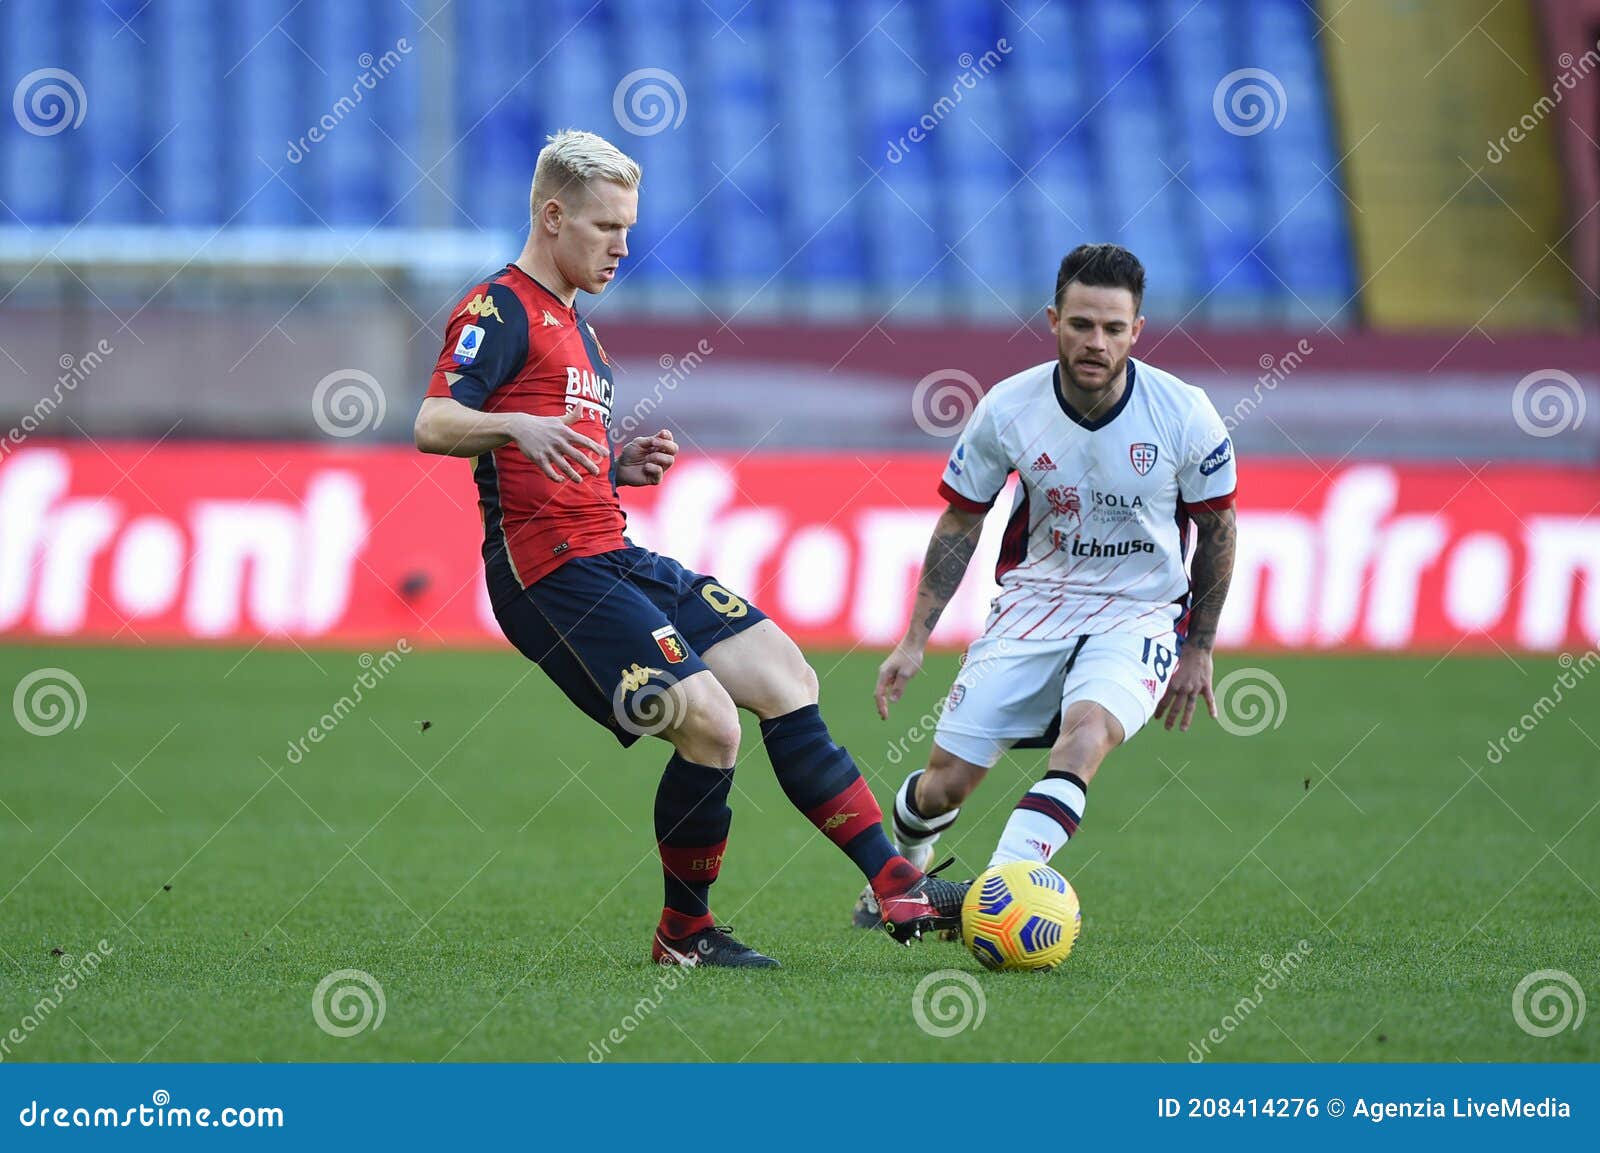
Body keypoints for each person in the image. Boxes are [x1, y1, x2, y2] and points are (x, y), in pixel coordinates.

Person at [413, 130, 963, 967]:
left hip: (615, 552)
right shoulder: (500, 308)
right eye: (606, 228)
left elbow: (560, 454)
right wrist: (515, 423)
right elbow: (433, 420)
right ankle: (686, 934)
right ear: (553, 216)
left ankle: (892, 878)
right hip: (550, 575)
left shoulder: (580, 332)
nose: (622, 248)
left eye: (629, 228)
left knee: (785, 673)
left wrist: (613, 466)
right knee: (711, 724)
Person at [853, 243, 1238, 930]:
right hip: (1033, 606)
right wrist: (915, 638)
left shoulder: (1185, 414)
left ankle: (991, 900)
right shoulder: (1008, 408)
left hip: (1140, 611)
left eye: (1114, 329)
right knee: (944, 784)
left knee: (1084, 738)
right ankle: (904, 867)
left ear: (1137, 332)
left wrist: (1199, 646)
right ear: (1054, 319)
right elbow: (961, 520)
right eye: (1082, 324)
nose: (1097, 342)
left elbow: (1218, 528)